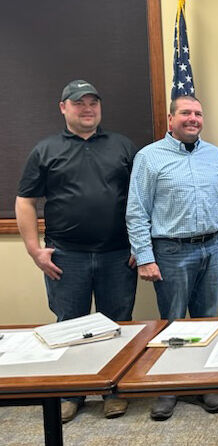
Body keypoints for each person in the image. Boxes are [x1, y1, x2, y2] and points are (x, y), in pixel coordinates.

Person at [15, 80, 138, 422]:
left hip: (118, 254)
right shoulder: (46, 149)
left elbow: (141, 200)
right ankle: (72, 393)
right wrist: (33, 250)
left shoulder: (123, 146)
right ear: (63, 108)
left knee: (118, 325)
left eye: (93, 102)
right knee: (70, 326)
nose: (87, 108)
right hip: (67, 257)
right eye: (79, 103)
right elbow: (25, 200)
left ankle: (114, 390)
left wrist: (139, 246)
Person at [126, 95, 218, 421]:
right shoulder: (149, 157)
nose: (193, 118)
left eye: (198, 113)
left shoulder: (215, 156)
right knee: (172, 320)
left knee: (206, 319)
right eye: (186, 113)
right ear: (171, 119)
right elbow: (137, 211)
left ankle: (204, 382)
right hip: (171, 251)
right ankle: (168, 386)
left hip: (213, 247)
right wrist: (144, 256)